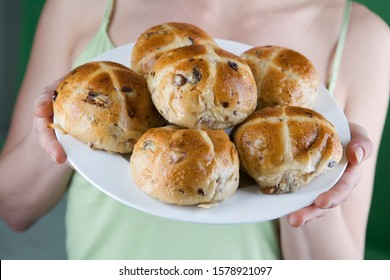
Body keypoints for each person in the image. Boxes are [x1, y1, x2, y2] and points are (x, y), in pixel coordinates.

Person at [0, 0, 388, 259]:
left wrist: (313, 180)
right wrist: (60, 124)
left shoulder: (364, 38)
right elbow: (14, 209)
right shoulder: (82, 6)